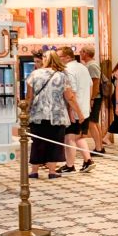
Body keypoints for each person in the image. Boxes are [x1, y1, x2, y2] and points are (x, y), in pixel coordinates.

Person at [25, 50, 81, 179]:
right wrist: (79, 113)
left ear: (45, 60)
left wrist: (26, 111)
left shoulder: (34, 74)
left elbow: (29, 96)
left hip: (37, 115)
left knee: (37, 142)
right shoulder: (62, 76)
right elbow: (70, 97)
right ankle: (52, 171)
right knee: (55, 142)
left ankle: (34, 171)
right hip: (57, 115)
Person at [56, 46, 92, 174]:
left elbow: (71, 94)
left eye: (59, 57)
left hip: (75, 110)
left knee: (69, 137)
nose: (57, 59)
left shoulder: (67, 70)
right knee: (78, 136)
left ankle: (70, 165)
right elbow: (91, 86)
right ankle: (88, 160)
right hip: (84, 108)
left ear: (67, 57)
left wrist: (71, 111)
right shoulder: (83, 67)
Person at [79, 45, 104, 156]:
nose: (80, 53)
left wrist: (92, 98)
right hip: (94, 97)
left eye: (81, 52)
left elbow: (95, 83)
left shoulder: (92, 66)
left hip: (95, 97)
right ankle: (99, 146)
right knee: (94, 122)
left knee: (91, 123)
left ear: (86, 53)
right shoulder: (89, 65)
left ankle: (98, 148)